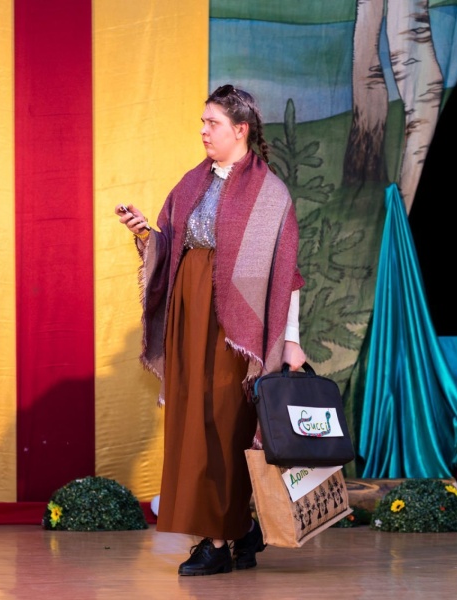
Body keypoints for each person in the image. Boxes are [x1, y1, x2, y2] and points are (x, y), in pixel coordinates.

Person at [116, 84, 306, 576]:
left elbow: (287, 274)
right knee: (191, 421)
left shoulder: (269, 194)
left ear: (240, 130)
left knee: (225, 425)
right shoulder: (191, 182)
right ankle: (233, 535)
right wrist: (146, 233)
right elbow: (172, 248)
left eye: (212, 123)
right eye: (203, 122)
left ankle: (220, 540)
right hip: (190, 313)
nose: (203, 131)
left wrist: (290, 339)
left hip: (234, 327)